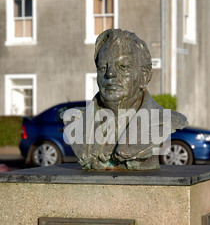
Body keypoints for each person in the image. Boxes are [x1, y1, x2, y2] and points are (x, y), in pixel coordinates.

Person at [64, 29, 187, 170]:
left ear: (144, 76)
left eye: (123, 67)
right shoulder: (75, 121)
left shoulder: (165, 121)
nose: (110, 74)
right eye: (103, 67)